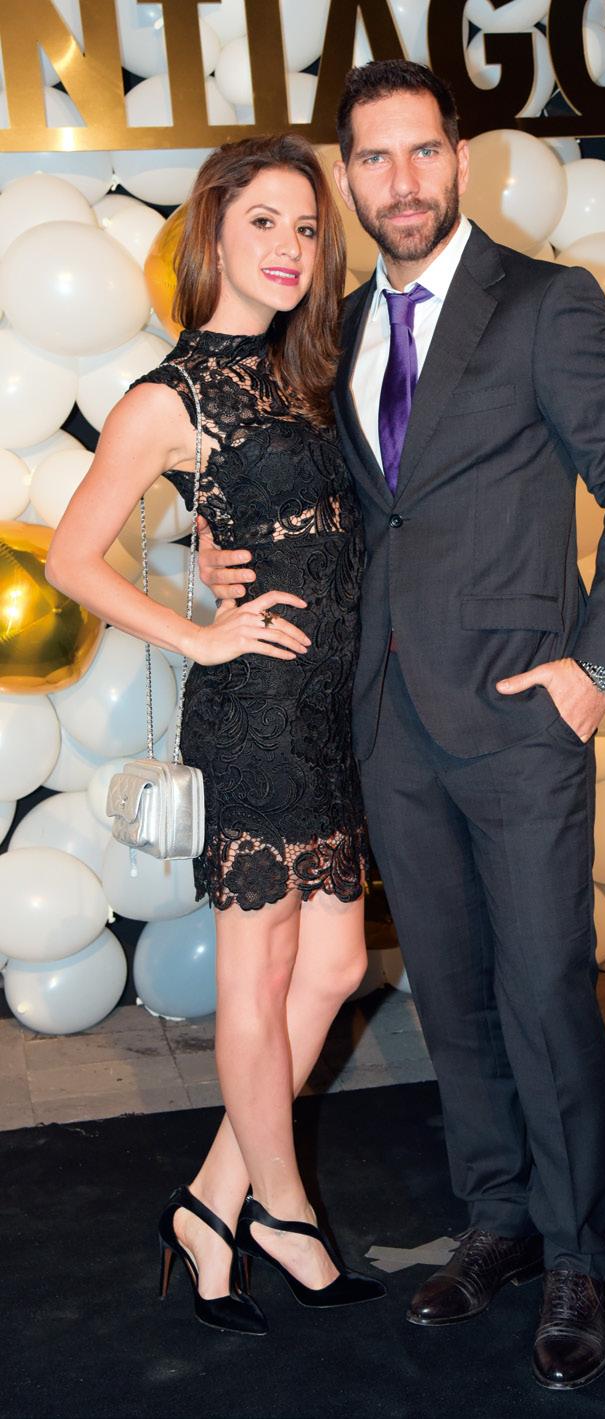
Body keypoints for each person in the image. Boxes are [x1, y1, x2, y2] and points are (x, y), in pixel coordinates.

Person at [198, 61, 605, 1386]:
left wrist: (595, 665)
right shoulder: (336, 327)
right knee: (450, 994)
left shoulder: (544, 302)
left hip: (521, 714)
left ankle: (575, 1253)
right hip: (387, 716)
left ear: (456, 160)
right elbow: (322, 497)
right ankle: (497, 1217)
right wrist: (215, 551)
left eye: (421, 153)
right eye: (373, 158)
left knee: (542, 989)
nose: (399, 181)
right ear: (349, 176)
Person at [46, 133, 386, 1334]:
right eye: (263, 223)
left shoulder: (307, 372)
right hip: (255, 712)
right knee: (264, 969)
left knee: (335, 968)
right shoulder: (169, 396)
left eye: (306, 228)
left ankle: (209, 1201)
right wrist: (197, 635)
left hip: (328, 706)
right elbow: (71, 558)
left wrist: (211, 541)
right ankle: (280, 1211)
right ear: (214, 235)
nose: (289, 247)